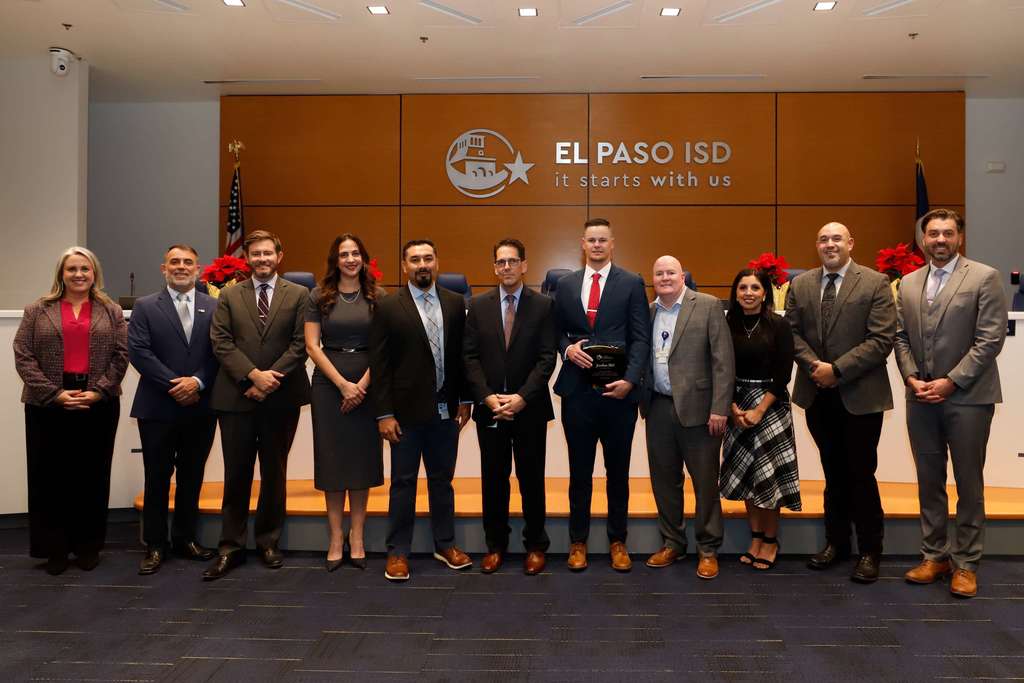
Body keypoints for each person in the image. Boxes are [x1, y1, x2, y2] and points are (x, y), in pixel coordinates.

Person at [895, 209, 1007, 598]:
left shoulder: (984, 277)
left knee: (969, 483)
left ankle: (966, 563)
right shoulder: (908, 282)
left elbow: (990, 340)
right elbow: (900, 336)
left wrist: (949, 382)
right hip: (920, 398)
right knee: (929, 481)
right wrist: (911, 377)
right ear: (923, 238)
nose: (939, 240)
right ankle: (934, 555)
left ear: (959, 237)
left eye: (947, 233)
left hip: (968, 399)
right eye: (932, 234)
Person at [784, 223, 896, 584]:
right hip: (817, 392)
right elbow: (792, 333)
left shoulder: (875, 283)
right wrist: (817, 368)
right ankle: (837, 544)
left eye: (836, 239)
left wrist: (838, 370)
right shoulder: (800, 285)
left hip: (860, 395)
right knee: (832, 471)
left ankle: (870, 550)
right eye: (823, 239)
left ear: (851, 243)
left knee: (861, 473)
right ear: (816, 245)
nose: (829, 245)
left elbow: (881, 340)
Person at [203, 230, 311, 581]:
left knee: (274, 472)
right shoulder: (229, 295)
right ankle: (230, 546)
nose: (262, 259)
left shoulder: (299, 294)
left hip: (281, 397)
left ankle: (268, 540)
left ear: (280, 255)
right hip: (236, 397)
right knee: (236, 474)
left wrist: (269, 378)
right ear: (247, 258)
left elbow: (300, 344)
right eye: (256, 254)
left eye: (268, 253)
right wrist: (251, 376)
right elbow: (220, 342)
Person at [14, 246, 129, 575]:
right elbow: (23, 355)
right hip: (47, 405)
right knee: (49, 478)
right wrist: (55, 394)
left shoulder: (111, 310)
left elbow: (121, 356)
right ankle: (55, 551)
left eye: (85, 269)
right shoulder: (38, 310)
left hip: (98, 405)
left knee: (92, 476)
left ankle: (87, 547)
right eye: (72, 269)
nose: (79, 274)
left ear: (95, 274)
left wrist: (97, 392)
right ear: (60, 274)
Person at [369, 239, 473, 582]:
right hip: (405, 414)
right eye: (415, 260)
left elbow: (464, 358)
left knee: (443, 481)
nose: (422, 264)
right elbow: (380, 365)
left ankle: (445, 545)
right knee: (403, 482)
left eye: (428, 258)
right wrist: (384, 413)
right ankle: (398, 552)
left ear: (437, 262)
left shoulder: (457, 303)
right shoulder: (387, 307)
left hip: (447, 411)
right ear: (404, 266)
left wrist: (467, 399)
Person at [552, 218, 651, 572]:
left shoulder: (631, 283)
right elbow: (556, 332)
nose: (596, 245)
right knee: (579, 473)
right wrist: (567, 349)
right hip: (577, 393)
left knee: (617, 472)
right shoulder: (564, 285)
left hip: (618, 394)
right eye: (591, 240)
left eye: (602, 240)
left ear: (612, 244)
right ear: (582, 244)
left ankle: (617, 540)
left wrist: (630, 380)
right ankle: (577, 542)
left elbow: (642, 337)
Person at [463, 238, 557, 575]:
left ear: (524, 265)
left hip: (528, 409)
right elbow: (469, 358)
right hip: (490, 408)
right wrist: (487, 398)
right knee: (494, 479)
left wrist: (521, 398)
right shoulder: (478, 305)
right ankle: (495, 546)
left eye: (513, 261)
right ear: (494, 267)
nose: (506, 267)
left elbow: (547, 359)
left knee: (531, 479)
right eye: (501, 262)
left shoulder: (543, 306)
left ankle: (535, 545)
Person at [639, 255, 734, 579]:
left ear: (682, 276)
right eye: (659, 273)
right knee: (664, 481)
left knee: (705, 482)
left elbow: (724, 361)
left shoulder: (706, 305)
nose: (664, 277)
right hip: (659, 407)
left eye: (671, 272)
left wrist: (720, 408)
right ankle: (673, 543)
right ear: (653, 279)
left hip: (700, 410)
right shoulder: (648, 312)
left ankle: (708, 548)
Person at [128, 245, 220, 575]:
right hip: (157, 406)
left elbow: (220, 351)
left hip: (201, 405)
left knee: (192, 476)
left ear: (199, 269)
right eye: (175, 262)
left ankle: (185, 538)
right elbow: (138, 352)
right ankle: (154, 544)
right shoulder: (145, 306)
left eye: (188, 262)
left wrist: (197, 382)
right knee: (157, 477)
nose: (181, 267)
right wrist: (175, 384)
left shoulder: (215, 306)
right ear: (164, 268)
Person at [304, 233, 384, 572]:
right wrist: (342, 385)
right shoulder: (318, 296)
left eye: (355, 254)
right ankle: (336, 537)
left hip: (369, 381)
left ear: (363, 259)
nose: (350, 259)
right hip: (328, 384)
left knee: (362, 462)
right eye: (343, 254)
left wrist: (360, 387)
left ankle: (359, 536)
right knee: (333, 462)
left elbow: (384, 348)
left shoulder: (378, 296)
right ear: (335, 260)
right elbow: (311, 346)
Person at [720, 269, 800, 571]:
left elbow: (783, 374)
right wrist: (732, 407)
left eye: (755, 287)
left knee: (769, 478)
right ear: (735, 292)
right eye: (742, 287)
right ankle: (755, 537)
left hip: (770, 405)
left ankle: (770, 540)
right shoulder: (726, 323)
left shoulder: (779, 325)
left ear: (765, 292)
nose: (748, 292)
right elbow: (719, 366)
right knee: (746, 478)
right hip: (736, 405)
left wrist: (759, 409)